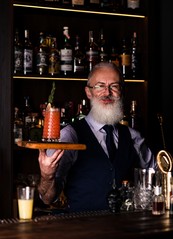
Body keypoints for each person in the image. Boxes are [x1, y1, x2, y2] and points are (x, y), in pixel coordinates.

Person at [38, 62, 156, 212]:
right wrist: (46, 176)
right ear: (88, 92)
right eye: (100, 86)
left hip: (126, 230)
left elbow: (158, 175)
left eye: (114, 86)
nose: (107, 92)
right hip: (83, 229)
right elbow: (48, 198)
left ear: (121, 91)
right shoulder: (70, 135)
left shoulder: (133, 137)